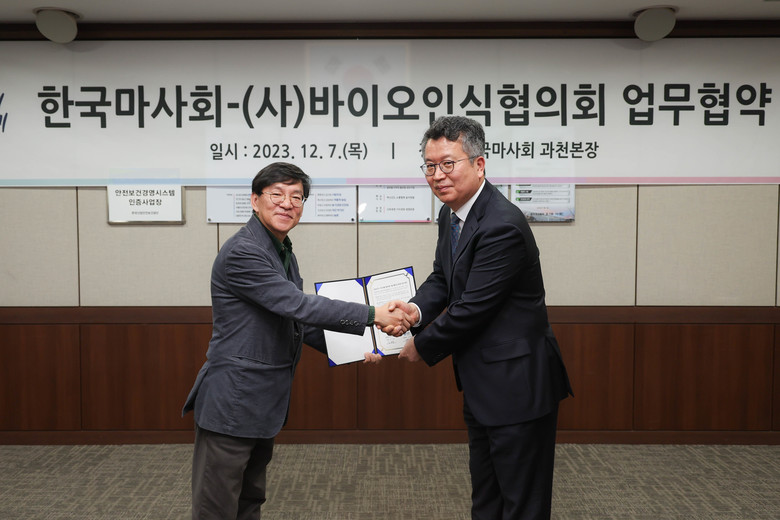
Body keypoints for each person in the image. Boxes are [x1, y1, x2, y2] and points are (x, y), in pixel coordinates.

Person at [182, 162, 412, 520]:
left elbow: (296, 321)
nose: (287, 203)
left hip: (261, 402)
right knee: (217, 508)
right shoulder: (244, 252)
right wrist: (373, 315)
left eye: (296, 197)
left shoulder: (281, 250)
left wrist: (361, 346)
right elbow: (299, 305)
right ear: (255, 200)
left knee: (249, 500)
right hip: (233, 402)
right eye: (277, 194)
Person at [397, 116, 572, 520]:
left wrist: (420, 345)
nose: (437, 175)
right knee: (488, 498)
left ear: (479, 164)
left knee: (522, 503)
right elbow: (443, 278)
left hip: (518, 386)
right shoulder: (452, 215)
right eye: (429, 166)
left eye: (448, 164)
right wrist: (414, 311)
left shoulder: (501, 224)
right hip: (483, 383)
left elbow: (473, 308)